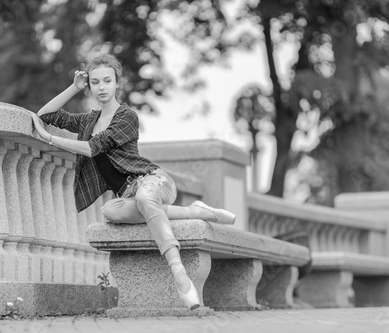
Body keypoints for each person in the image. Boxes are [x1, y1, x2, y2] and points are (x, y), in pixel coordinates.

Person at [31, 53, 236, 311]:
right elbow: (45, 114)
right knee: (109, 210)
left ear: (118, 83)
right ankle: (196, 211)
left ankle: (178, 271)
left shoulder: (127, 117)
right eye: (95, 82)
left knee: (144, 198)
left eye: (107, 80)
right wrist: (74, 87)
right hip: (129, 196)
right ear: (90, 86)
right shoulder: (87, 121)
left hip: (153, 180)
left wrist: (51, 140)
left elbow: (94, 148)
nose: (102, 87)